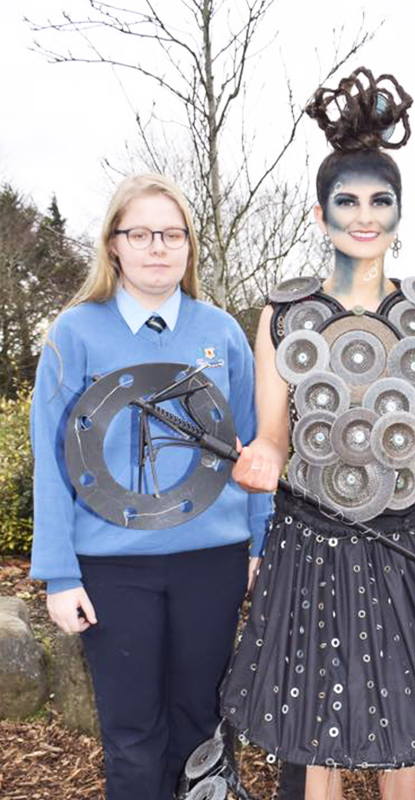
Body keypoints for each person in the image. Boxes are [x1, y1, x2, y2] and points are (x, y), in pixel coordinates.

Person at [222, 67, 415, 800]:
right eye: (346, 201)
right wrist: (260, 459)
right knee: (314, 719)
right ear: (320, 217)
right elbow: (273, 439)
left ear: (398, 215)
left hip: (409, 542)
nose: (364, 215)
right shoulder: (283, 316)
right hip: (309, 540)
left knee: (404, 718)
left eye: (379, 201)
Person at [30, 173, 272, 800]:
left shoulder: (221, 333)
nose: (157, 247)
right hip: (113, 569)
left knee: (201, 731)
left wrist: (258, 544)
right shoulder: (74, 333)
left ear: (189, 246)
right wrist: (60, 575)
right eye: (140, 234)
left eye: (172, 234)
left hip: (210, 563)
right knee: (133, 735)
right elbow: (51, 462)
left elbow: (255, 451)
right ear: (113, 245)